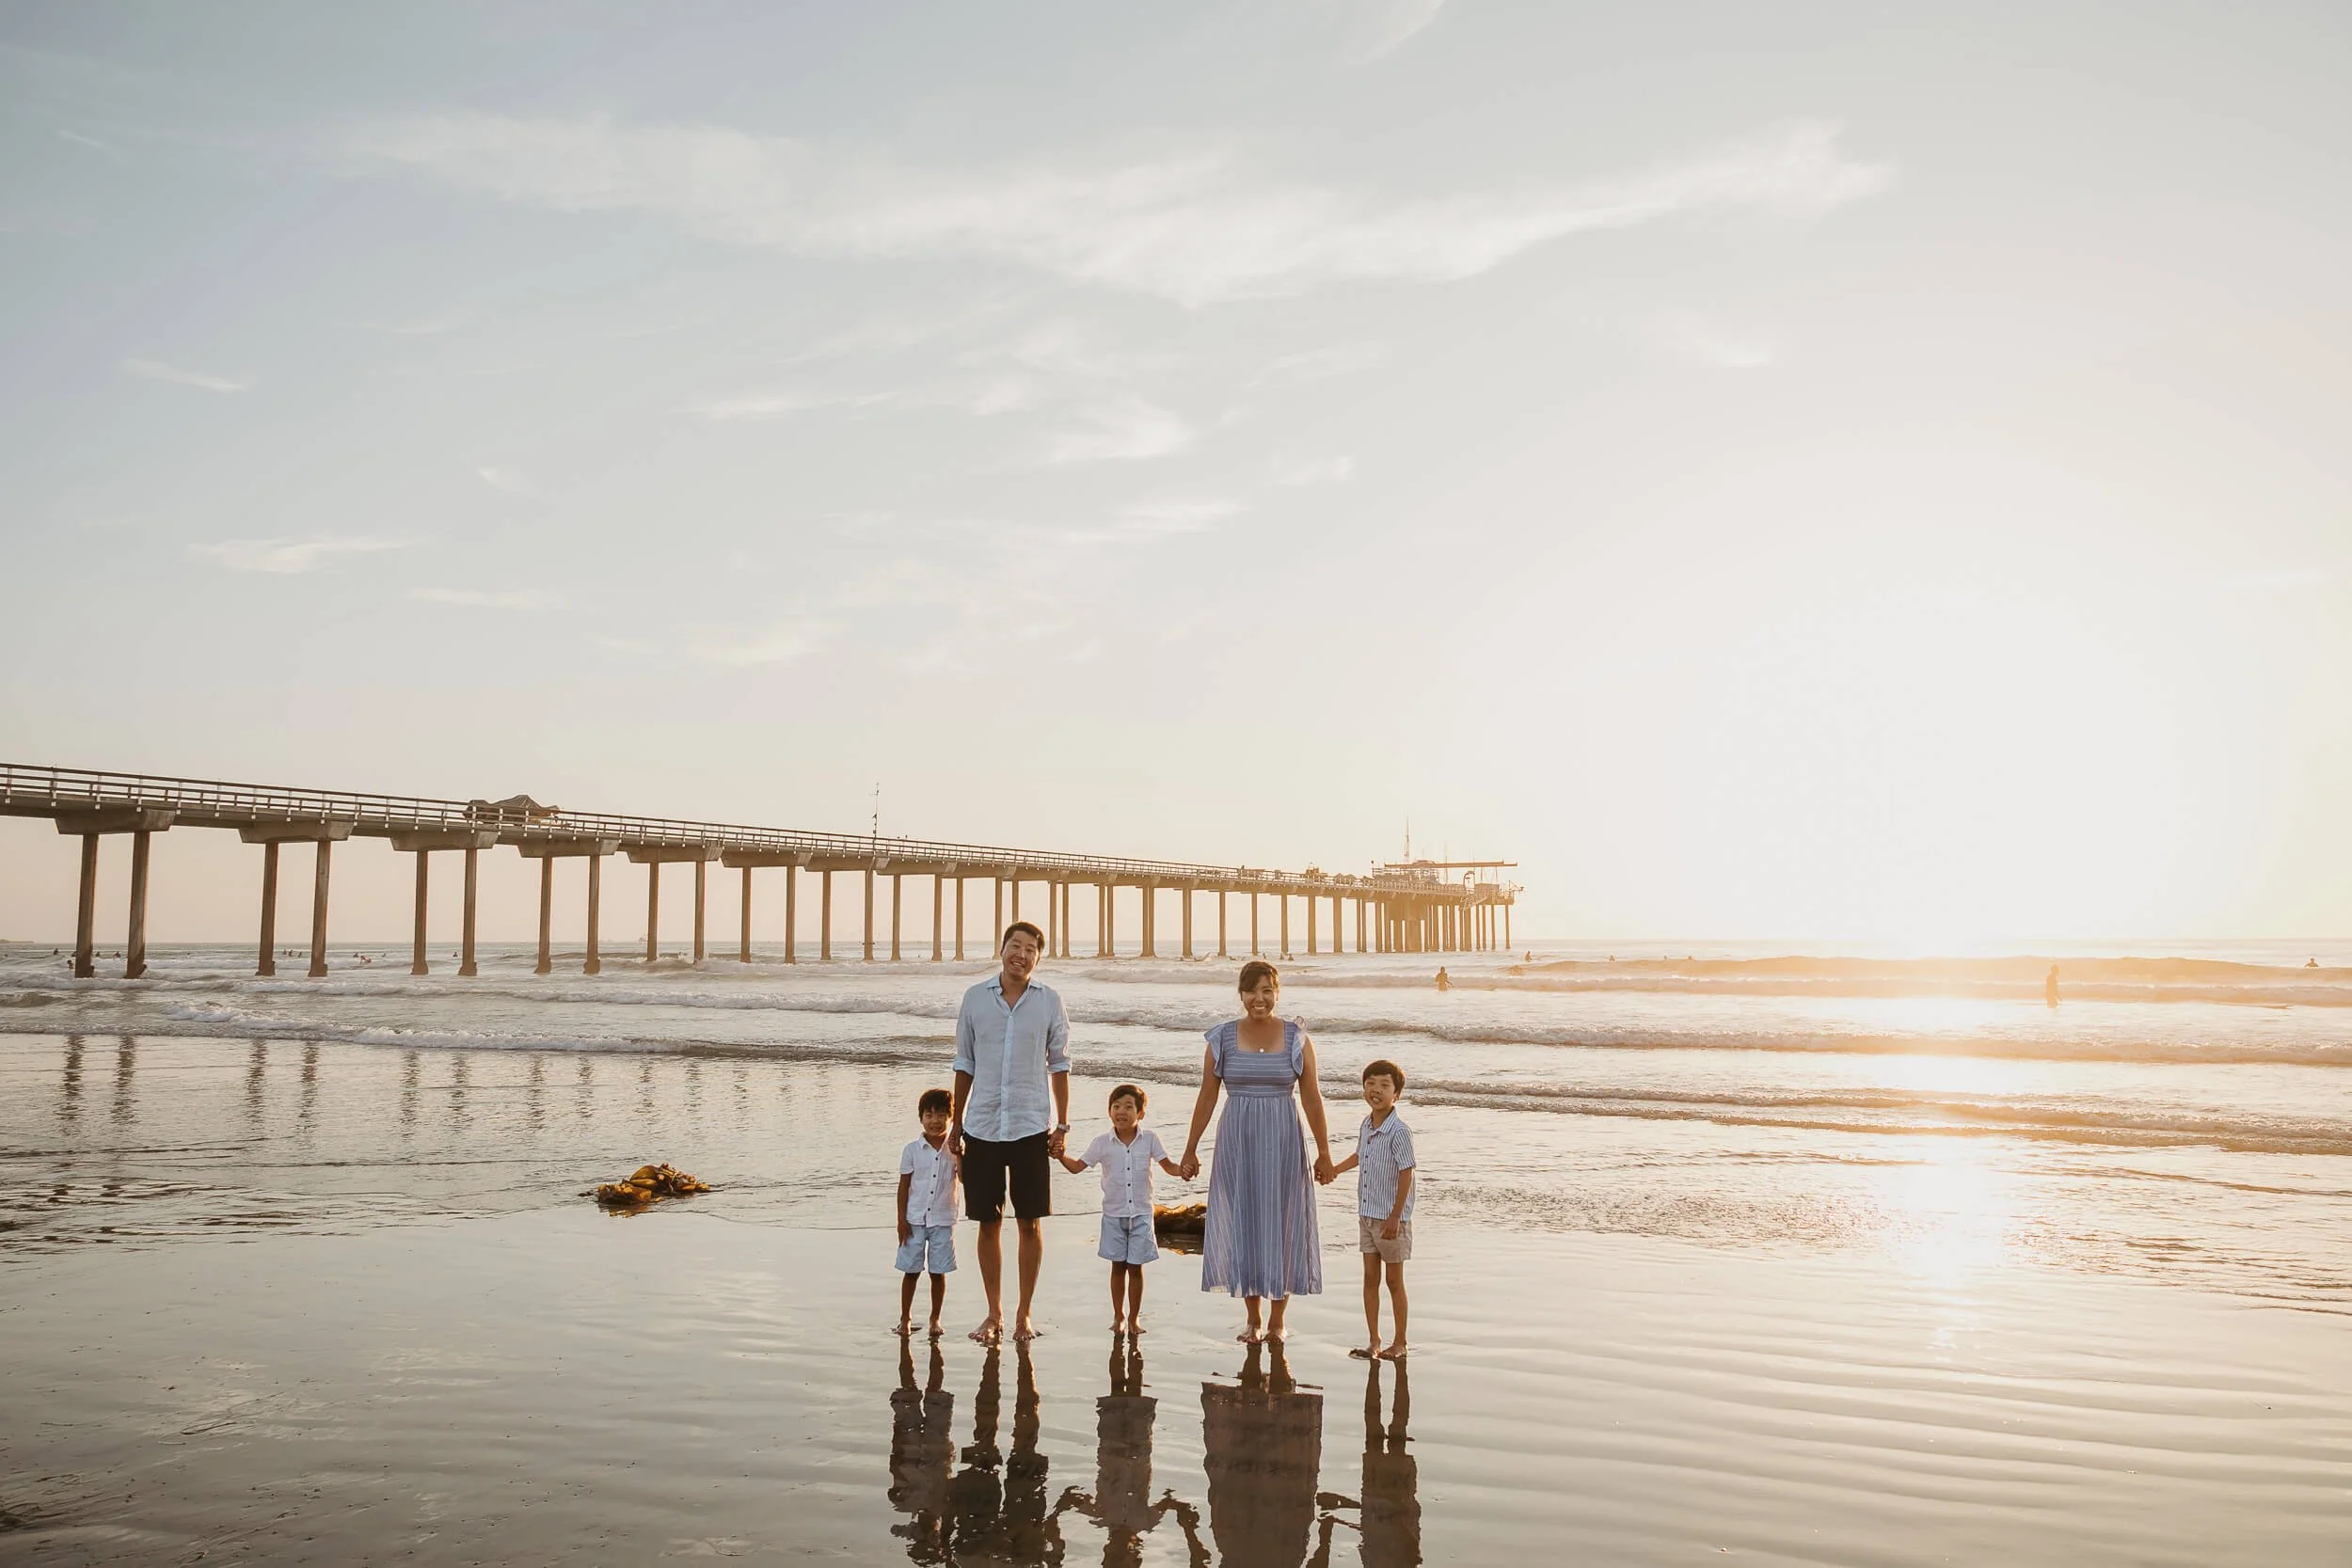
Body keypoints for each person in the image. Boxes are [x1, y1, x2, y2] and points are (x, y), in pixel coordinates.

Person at [1178, 959, 1334, 1344]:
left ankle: (1278, 1320)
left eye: (1267, 991)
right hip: (1239, 1137)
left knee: (1283, 1220)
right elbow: (1207, 1096)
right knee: (1244, 1218)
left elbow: (1312, 1098)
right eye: (1251, 991)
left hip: (1283, 1135)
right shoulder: (1222, 1038)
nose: (1259, 999)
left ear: (1277, 993)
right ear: (1241, 994)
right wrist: (1191, 1148)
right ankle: (1253, 1318)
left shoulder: (1297, 1037)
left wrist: (1324, 1151)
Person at [951, 921, 1071, 1344]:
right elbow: (964, 1063)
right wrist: (956, 1126)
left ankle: (1024, 1314)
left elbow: (1060, 1065)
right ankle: (993, 1312)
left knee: (1029, 1224)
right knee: (987, 1223)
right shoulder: (975, 999)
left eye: (1030, 949)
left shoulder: (1049, 1001)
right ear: (1001, 948)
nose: (1021, 954)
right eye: (1014, 945)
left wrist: (1062, 1124)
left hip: (1029, 1126)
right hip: (982, 1125)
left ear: (1038, 957)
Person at [1057, 1084, 1183, 1335]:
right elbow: (1078, 1167)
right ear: (1109, 1112)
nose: (1121, 1111)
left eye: (1128, 1107)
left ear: (1141, 1113)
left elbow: (1169, 1166)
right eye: (1116, 1107)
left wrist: (1186, 1170)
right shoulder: (1102, 1143)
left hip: (1141, 1214)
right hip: (1113, 1215)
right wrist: (1060, 1155)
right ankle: (1118, 1317)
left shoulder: (1150, 1140)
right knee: (1117, 1267)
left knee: (1136, 1268)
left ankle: (1134, 1319)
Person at [1331, 1059, 1416, 1361]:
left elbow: (1407, 1172)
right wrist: (1334, 1170)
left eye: (1384, 1085)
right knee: (1369, 1278)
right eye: (1370, 1084)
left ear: (1396, 1094)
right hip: (1367, 1215)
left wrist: (1395, 1215)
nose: (1376, 1090)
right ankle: (1374, 1340)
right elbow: (1359, 1155)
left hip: (1392, 1219)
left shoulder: (1399, 1131)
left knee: (1394, 1281)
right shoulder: (1367, 1124)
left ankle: (1401, 1341)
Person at [896, 1086, 959, 1339]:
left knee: (937, 1271)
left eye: (942, 1115)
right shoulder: (912, 1150)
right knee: (910, 1270)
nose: (936, 1121)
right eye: (930, 1115)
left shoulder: (954, 1148)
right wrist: (901, 1219)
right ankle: (905, 1317)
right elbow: (904, 1186)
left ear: (951, 1118)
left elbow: (964, 1179)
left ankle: (935, 1318)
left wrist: (961, 1154)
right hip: (914, 1219)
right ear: (921, 1117)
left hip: (943, 1218)